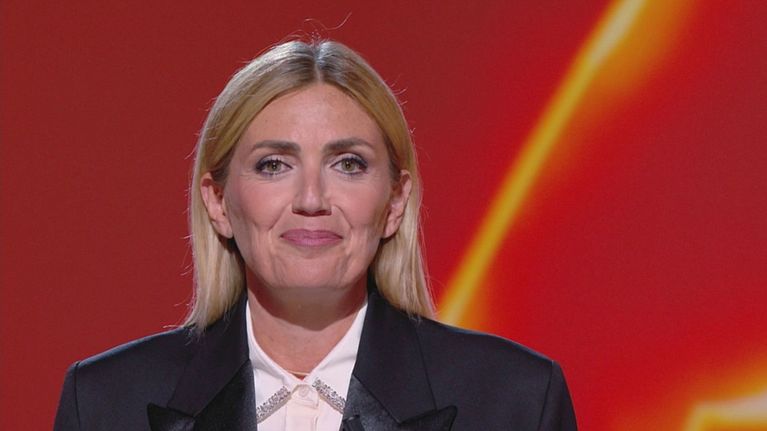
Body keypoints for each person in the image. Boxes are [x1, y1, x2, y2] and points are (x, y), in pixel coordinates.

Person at [54, 39, 577, 431]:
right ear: (217, 202)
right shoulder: (103, 404)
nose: (311, 198)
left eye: (348, 164)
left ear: (395, 202)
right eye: (273, 164)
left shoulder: (518, 401)